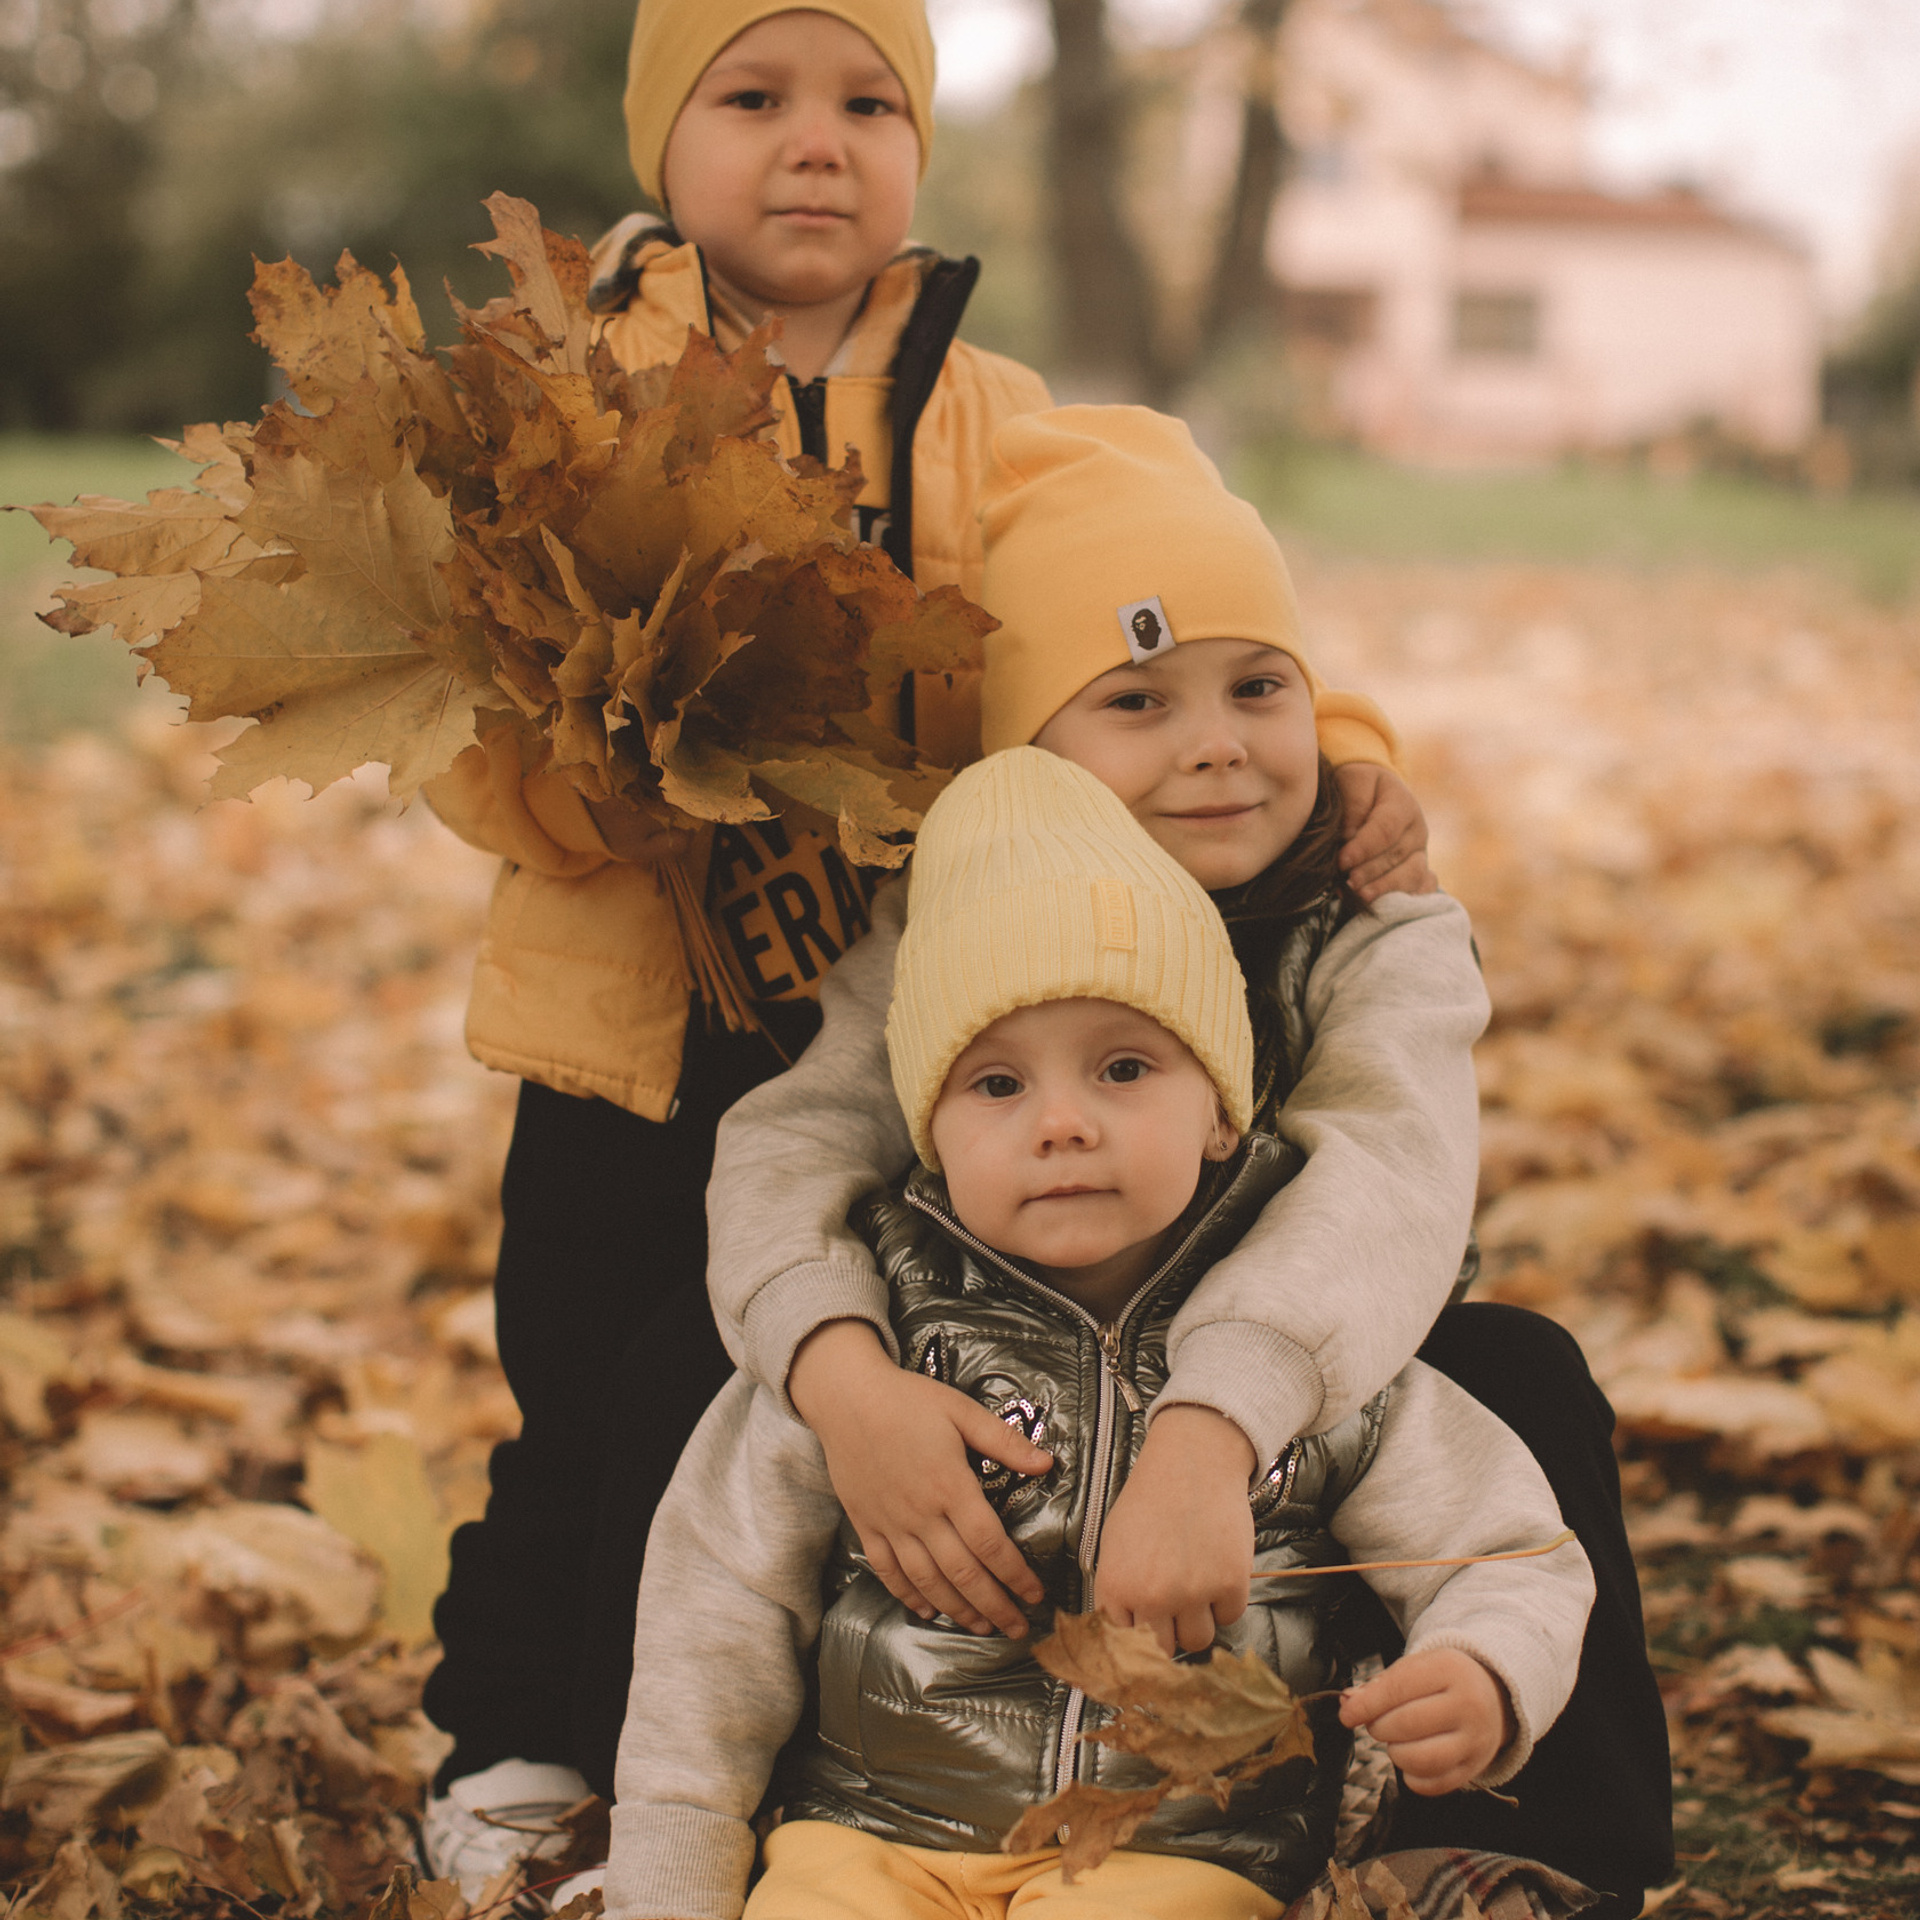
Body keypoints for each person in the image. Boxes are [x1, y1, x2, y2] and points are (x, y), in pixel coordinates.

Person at [415, 1, 1434, 1888]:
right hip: (635, 1021)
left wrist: (1347, 740)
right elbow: (474, 725)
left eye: (871, 102)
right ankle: (524, 1740)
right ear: (662, 141)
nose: (819, 140)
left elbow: (1168, 578)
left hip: (897, 1002)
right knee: (596, 1388)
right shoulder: (575, 398)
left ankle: (827, 1717)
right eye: (755, 95)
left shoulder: (978, 406)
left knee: (835, 1354)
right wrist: (594, 773)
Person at [702, 409, 1674, 1915]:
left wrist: (1212, 1432)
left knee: (1523, 1374)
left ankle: (1518, 1842)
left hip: (1309, 1403)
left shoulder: (1371, 922)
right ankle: (669, 1810)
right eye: (1138, 700)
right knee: (719, 1360)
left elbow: (1390, 1180)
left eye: (1258, 687)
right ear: (1030, 754)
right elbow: (799, 1140)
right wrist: (843, 1382)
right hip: (1003, 1373)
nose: (1216, 742)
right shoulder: (955, 915)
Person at [605, 746, 1598, 1920]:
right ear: (927, 1133)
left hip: (1173, 1857)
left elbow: (1506, 1551)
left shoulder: (1316, 1356)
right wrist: (669, 1889)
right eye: (996, 1086)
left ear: (1221, 1113)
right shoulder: (873, 1343)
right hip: (866, 1839)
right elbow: (711, 1623)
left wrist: (1485, 1671)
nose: (1063, 1123)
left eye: (1124, 1068)